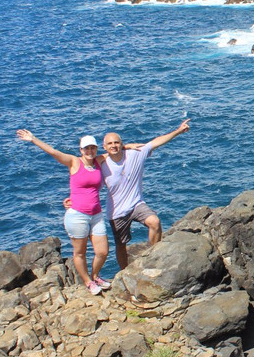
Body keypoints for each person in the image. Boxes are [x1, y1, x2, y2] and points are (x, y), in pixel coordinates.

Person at [16, 129, 112, 295]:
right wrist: (33, 139)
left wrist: (137, 146)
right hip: (77, 215)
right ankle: (88, 282)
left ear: (96, 149)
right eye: (86, 148)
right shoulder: (74, 162)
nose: (90, 151)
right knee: (80, 252)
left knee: (102, 251)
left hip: (96, 214)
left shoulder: (98, 160)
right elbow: (53, 151)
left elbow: (115, 150)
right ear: (81, 150)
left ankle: (95, 276)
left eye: (92, 148)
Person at [100, 119, 190, 269]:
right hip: (116, 211)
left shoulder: (135, 154)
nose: (113, 146)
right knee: (121, 245)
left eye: (117, 142)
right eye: (110, 144)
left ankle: (154, 258)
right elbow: (83, 173)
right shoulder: (102, 164)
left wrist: (178, 131)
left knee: (154, 222)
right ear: (104, 147)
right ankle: (124, 271)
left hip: (136, 204)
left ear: (121, 144)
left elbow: (156, 142)